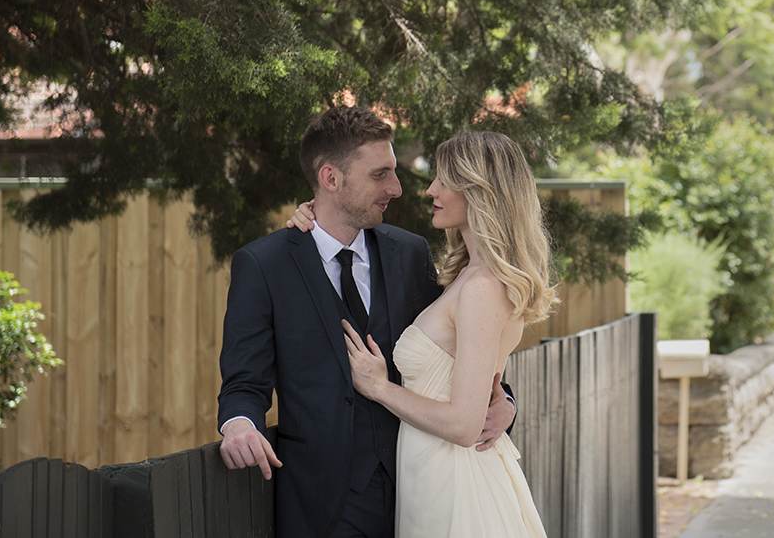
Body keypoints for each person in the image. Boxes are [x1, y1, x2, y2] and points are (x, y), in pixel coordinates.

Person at [217, 107, 516, 538]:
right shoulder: (263, 265)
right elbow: (244, 382)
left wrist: (505, 402)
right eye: (380, 175)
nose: (396, 188)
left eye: (393, 172)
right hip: (320, 504)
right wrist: (240, 424)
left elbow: (460, 350)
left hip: (420, 486)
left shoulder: (410, 253)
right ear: (330, 178)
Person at [291, 131, 557, 538]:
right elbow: (462, 372)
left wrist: (379, 387)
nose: (430, 189)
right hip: (429, 475)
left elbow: (465, 426)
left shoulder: (483, 288)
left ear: (481, 191)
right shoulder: (466, 276)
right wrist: (316, 213)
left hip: (456, 482)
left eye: (445, 180)